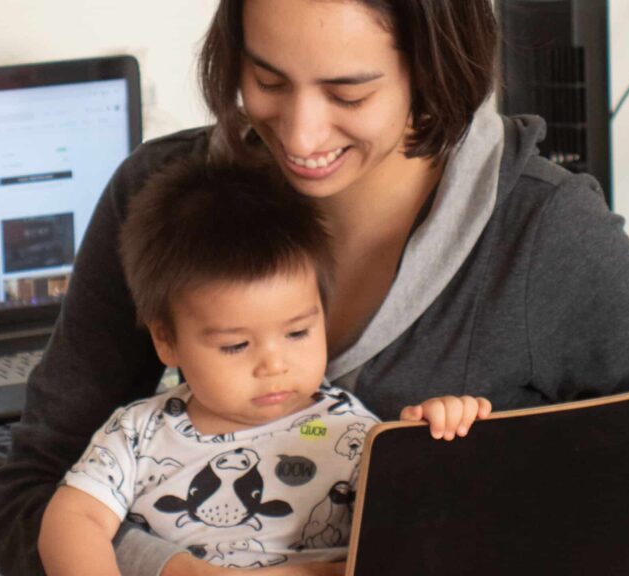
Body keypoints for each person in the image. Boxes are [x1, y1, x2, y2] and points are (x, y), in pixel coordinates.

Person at [0, 1, 629, 575]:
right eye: (268, 80)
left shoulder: (543, 232)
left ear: (432, 72)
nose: (301, 136)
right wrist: (177, 570)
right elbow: (32, 494)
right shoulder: (164, 200)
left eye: (349, 93)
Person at [38, 159, 492, 575]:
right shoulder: (138, 434)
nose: (274, 365)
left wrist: (430, 442)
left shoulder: (352, 434)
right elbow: (73, 520)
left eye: (297, 333)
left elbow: (420, 537)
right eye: (235, 345)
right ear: (167, 341)